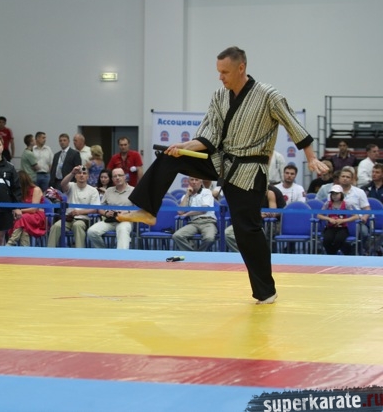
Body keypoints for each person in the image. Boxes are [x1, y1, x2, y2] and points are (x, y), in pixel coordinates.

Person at [119, 46, 328, 305]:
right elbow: (208, 136)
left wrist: (311, 157)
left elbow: (293, 125)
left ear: (241, 68)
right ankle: (148, 209)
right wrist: (183, 146)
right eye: (218, 72)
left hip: (250, 170)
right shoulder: (219, 96)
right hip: (220, 160)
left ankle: (266, 291)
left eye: (225, 72)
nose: (220, 77)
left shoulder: (268, 95)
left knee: (246, 230)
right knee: (169, 157)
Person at [47, 164, 100, 248]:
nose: (81, 175)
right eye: (79, 173)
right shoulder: (71, 186)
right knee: (56, 226)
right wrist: (72, 172)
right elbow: (63, 184)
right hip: (68, 218)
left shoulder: (93, 190)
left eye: (84, 173)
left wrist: (80, 212)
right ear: (75, 176)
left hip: (83, 219)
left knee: (77, 225)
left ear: (88, 176)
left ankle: (79, 252)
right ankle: (50, 250)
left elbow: (95, 209)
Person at [225, 185, 286, 252]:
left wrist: (263, 215)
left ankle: (254, 254)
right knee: (228, 233)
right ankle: (246, 254)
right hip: (246, 221)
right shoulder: (244, 191)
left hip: (262, 224)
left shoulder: (270, 193)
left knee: (258, 235)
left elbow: (273, 213)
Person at [87, 168, 135, 249]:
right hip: (110, 220)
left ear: (125, 177)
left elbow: (139, 209)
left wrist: (128, 212)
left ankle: (121, 255)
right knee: (91, 232)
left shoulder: (133, 190)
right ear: (112, 179)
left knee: (122, 229)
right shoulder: (108, 191)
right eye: (115, 176)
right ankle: (104, 252)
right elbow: (100, 208)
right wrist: (106, 213)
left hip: (126, 220)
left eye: (120, 175)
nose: (117, 178)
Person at [172, 177, 218, 251]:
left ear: (201, 182)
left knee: (209, 238)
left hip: (208, 222)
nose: (194, 182)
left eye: (196, 180)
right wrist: (187, 195)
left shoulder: (206, 192)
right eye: (192, 180)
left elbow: (203, 210)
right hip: (193, 223)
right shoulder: (185, 196)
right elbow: (180, 212)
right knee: (177, 236)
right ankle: (193, 254)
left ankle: (198, 255)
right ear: (188, 182)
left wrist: (187, 214)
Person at [317, 185, 360, 255]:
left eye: (337, 194)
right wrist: (329, 219)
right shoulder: (328, 204)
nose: (334, 196)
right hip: (330, 227)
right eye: (333, 194)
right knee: (327, 240)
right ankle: (331, 255)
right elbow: (319, 215)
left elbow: (355, 216)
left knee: (339, 240)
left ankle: (339, 253)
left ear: (341, 194)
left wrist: (343, 220)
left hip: (342, 228)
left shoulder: (346, 204)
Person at [7, 171, 46, 246]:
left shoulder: (36, 189)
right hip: (24, 217)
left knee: (22, 218)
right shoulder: (19, 191)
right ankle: (24, 247)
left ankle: (11, 242)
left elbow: (34, 209)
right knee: (23, 226)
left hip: (37, 216)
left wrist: (19, 211)